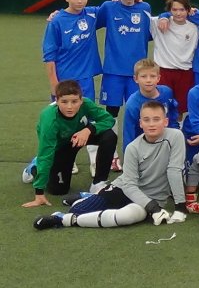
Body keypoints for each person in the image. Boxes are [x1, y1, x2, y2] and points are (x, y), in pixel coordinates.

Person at [33, 101, 188, 230]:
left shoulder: (176, 136)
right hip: (125, 189)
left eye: (156, 119)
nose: (152, 124)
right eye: (146, 120)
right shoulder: (133, 148)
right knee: (78, 209)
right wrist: (152, 207)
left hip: (153, 197)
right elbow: (129, 185)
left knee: (128, 216)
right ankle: (90, 196)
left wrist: (180, 207)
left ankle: (63, 220)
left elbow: (174, 170)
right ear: (140, 123)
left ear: (165, 121)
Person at [21, 80, 117, 208]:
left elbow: (108, 119)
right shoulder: (49, 119)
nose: (70, 107)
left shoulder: (86, 104)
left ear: (81, 100)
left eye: (74, 101)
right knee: (58, 190)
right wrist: (39, 193)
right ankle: (34, 168)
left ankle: (99, 183)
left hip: (80, 136)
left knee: (109, 136)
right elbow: (46, 153)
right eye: (64, 102)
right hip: (60, 147)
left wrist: (88, 130)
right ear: (56, 101)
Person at [95, 0, 153, 171]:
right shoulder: (108, 7)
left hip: (137, 74)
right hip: (113, 71)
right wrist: (57, 14)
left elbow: (152, 33)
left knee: (137, 113)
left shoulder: (145, 8)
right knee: (111, 113)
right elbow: (88, 19)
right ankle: (111, 155)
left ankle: (138, 154)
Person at [42, 0, 101, 103]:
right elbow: (49, 57)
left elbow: (114, 8)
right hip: (65, 78)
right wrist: (54, 86)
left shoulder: (92, 14)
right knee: (66, 113)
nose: (79, 1)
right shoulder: (56, 21)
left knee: (86, 112)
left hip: (86, 79)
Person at [150, 0, 197, 116]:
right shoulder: (159, 23)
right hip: (163, 72)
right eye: (174, 10)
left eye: (182, 9)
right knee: (161, 107)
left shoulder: (194, 28)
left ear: (188, 10)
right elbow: (140, 14)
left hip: (185, 72)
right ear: (169, 10)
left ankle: (179, 128)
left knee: (180, 109)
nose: (178, 13)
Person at [122, 59, 180, 150]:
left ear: (158, 78)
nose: (148, 80)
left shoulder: (167, 92)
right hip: (145, 145)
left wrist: (175, 135)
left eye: (152, 76)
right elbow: (129, 134)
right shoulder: (132, 104)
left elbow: (172, 115)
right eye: (143, 76)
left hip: (167, 141)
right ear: (136, 79)